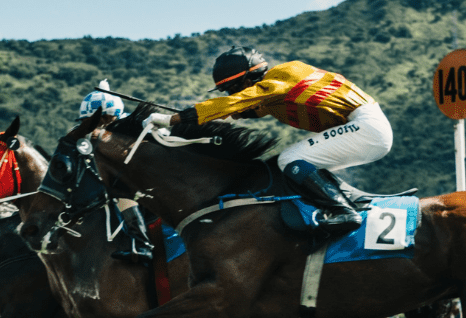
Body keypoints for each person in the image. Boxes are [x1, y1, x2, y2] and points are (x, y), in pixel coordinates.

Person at [152, 46, 393, 232]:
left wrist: (173, 119)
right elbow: (246, 108)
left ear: (247, 80)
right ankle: (348, 199)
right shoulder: (277, 92)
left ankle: (342, 211)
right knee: (304, 163)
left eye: (232, 88)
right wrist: (223, 113)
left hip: (365, 126)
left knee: (290, 159)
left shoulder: (283, 74)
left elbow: (237, 102)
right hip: (365, 127)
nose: (231, 94)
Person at [78, 82, 152, 266]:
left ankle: (142, 244)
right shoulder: (100, 137)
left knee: (121, 194)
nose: (88, 128)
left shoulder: (132, 128)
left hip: (151, 184)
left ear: (107, 118)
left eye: (92, 122)